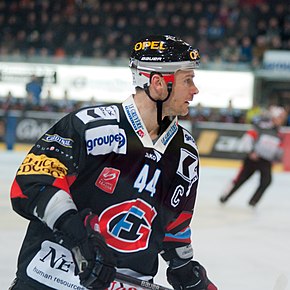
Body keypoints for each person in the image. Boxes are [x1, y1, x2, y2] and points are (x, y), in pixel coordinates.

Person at [9, 35, 217, 290]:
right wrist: (78, 236)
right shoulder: (89, 126)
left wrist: (184, 270)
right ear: (159, 84)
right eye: (188, 80)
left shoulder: (185, 152)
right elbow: (32, 184)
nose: (194, 90)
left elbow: (174, 223)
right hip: (51, 278)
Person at [219, 105, 287, 207]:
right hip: (253, 159)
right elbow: (248, 138)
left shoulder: (278, 132)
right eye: (280, 117)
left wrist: (277, 156)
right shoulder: (261, 126)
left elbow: (278, 148)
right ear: (274, 117)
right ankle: (225, 197)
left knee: (266, 181)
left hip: (266, 161)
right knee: (240, 180)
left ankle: (253, 202)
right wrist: (251, 152)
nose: (282, 120)